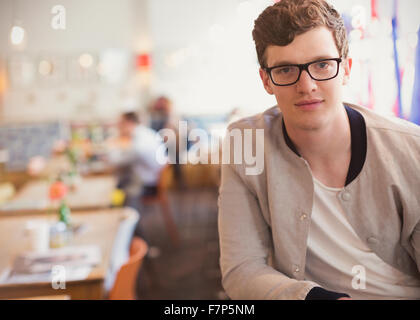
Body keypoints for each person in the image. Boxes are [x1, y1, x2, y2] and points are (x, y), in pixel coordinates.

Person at [218, 0, 420, 300]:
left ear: (346, 69)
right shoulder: (245, 143)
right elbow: (241, 268)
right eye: (286, 70)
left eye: (322, 65)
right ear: (266, 80)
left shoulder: (410, 148)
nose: (307, 85)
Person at [106, 111, 165, 210]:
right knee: (118, 182)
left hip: (147, 184)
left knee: (115, 187)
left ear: (128, 123)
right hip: (151, 177)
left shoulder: (140, 141)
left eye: (120, 123)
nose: (118, 127)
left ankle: (127, 219)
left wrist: (112, 145)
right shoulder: (145, 133)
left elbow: (116, 160)